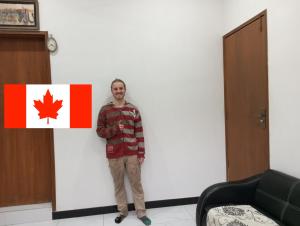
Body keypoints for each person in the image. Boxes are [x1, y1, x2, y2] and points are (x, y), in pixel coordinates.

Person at [96, 79, 151, 225]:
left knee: (136, 184)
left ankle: (141, 212)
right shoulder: (105, 110)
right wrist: (114, 129)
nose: (119, 91)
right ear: (112, 91)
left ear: (125, 90)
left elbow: (139, 132)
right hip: (114, 154)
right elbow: (99, 131)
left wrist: (141, 153)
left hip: (132, 153)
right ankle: (123, 211)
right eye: (116, 89)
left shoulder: (133, 109)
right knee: (118, 184)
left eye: (121, 88)